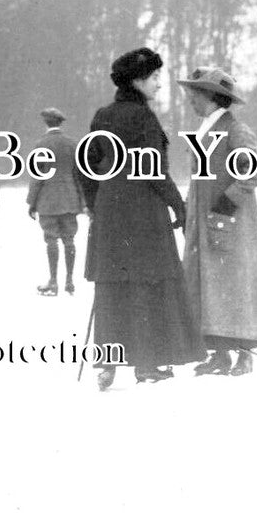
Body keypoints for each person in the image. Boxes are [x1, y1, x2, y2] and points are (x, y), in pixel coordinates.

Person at [75, 49, 204, 389]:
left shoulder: (102, 115)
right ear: (137, 81)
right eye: (154, 78)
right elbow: (156, 173)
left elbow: (84, 166)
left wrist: (95, 204)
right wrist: (179, 206)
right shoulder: (144, 119)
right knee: (147, 286)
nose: (159, 84)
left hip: (110, 215)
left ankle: (107, 365)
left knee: (112, 287)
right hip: (144, 214)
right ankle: (147, 365)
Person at [180, 66, 257, 377]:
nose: (189, 99)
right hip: (203, 223)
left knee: (237, 285)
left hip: (231, 223)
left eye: (194, 93)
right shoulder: (204, 129)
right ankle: (218, 354)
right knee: (208, 286)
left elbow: (255, 171)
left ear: (208, 96)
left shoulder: (236, 129)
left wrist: (225, 204)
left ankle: (245, 355)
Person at [26, 107, 85, 296]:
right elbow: (80, 175)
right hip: (70, 200)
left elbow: (37, 177)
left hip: (48, 201)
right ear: (60, 123)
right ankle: (69, 280)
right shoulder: (72, 144)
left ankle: (53, 281)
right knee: (69, 240)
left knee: (51, 239)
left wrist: (32, 203)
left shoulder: (41, 145)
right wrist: (82, 200)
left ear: (46, 123)